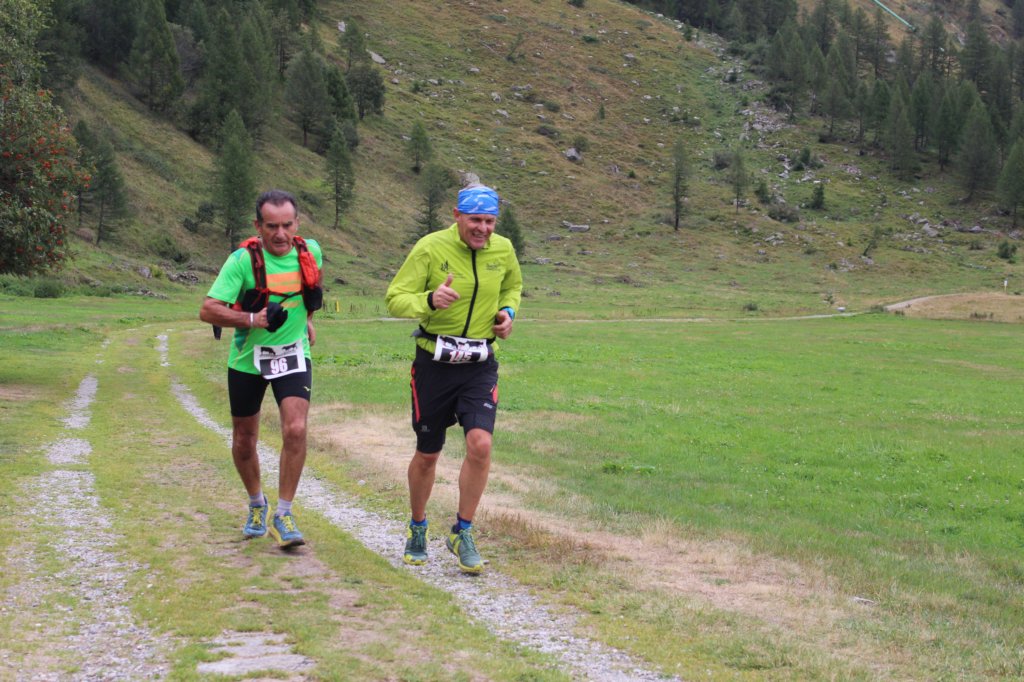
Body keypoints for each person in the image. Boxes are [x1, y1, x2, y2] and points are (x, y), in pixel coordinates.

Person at [385, 183, 523, 573]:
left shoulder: (503, 249)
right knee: (428, 453)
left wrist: (508, 312)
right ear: (457, 215)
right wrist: (428, 300)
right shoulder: (430, 248)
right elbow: (395, 298)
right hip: (434, 364)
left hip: (479, 363)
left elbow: (513, 285)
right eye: (475, 220)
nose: (483, 229)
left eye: (490, 221)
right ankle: (417, 526)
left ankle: (463, 531)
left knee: (480, 444)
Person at [199, 189, 323, 549]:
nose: (280, 234)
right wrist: (252, 319)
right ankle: (257, 503)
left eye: (287, 225)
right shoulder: (242, 261)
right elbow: (208, 309)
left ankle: (284, 514)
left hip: (293, 353)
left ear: (297, 223)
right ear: (258, 226)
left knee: (296, 429)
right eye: (271, 226)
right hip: (248, 359)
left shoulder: (311, 251)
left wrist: (307, 320)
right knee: (244, 439)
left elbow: (310, 287)